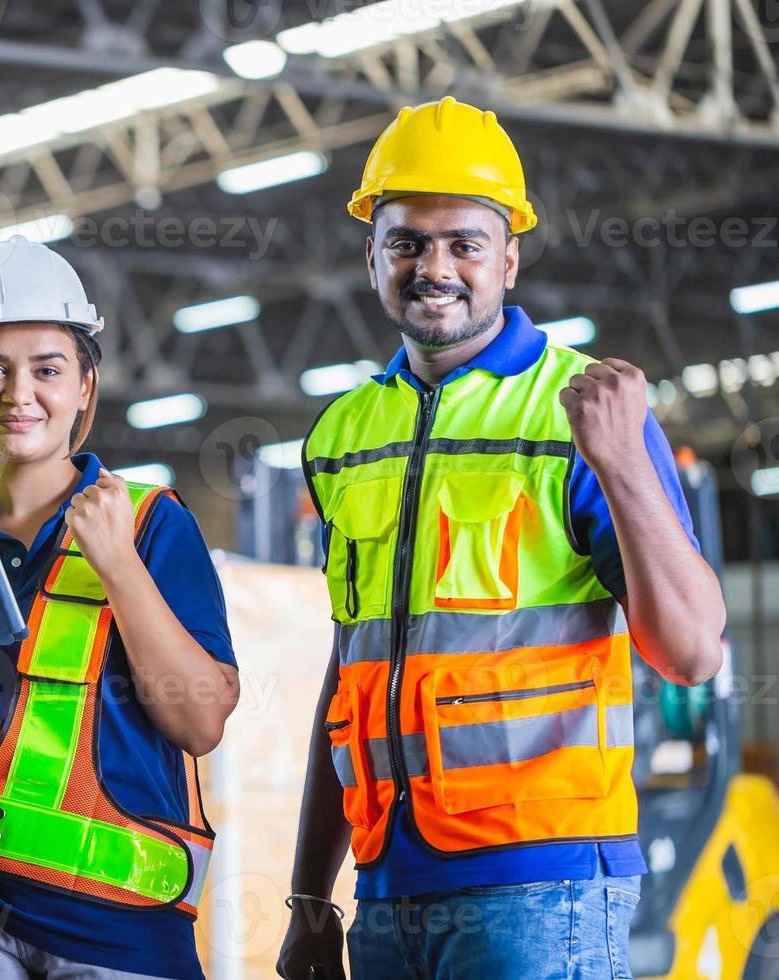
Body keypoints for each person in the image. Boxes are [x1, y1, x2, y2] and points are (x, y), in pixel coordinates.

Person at [275, 97, 726, 980]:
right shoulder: (341, 437)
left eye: (464, 244)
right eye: (406, 241)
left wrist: (623, 462)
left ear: (508, 258)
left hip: (541, 887)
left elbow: (693, 654)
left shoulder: (581, 412)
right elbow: (352, 674)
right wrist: (307, 895)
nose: (432, 267)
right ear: (371, 255)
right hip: (384, 888)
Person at [0, 236, 239, 980]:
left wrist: (119, 565)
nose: (18, 394)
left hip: (123, 922)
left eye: (47, 369)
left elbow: (198, 723)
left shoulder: (152, 524)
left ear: (84, 387)